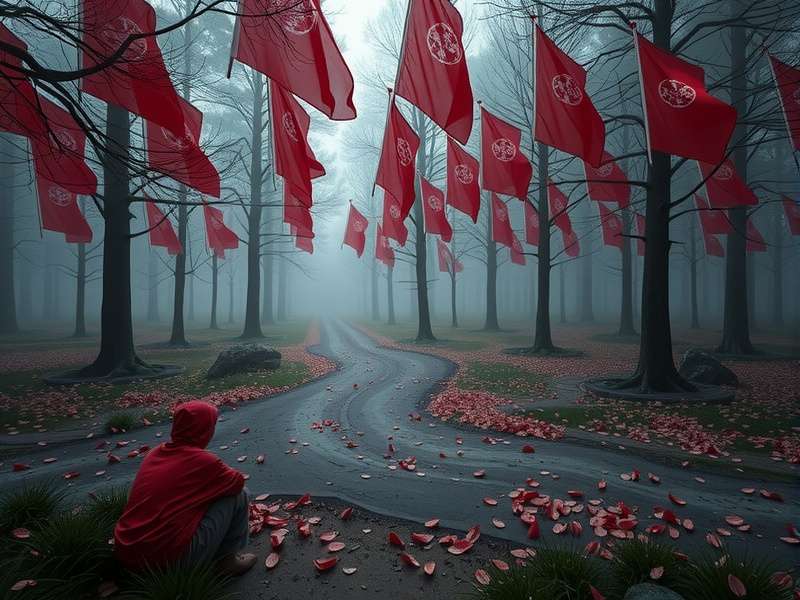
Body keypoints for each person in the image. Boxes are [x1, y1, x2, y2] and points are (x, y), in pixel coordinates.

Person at [114, 400, 257, 575]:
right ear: (204, 429)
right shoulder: (204, 461)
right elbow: (237, 482)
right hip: (168, 562)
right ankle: (226, 561)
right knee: (239, 495)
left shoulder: (155, 453)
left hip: (127, 553)